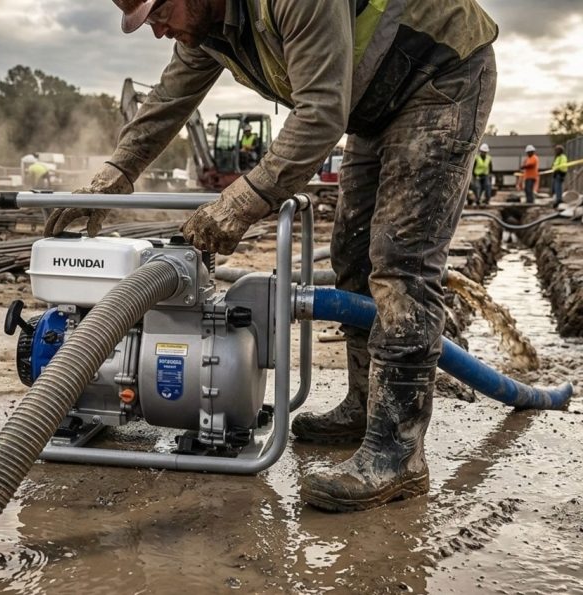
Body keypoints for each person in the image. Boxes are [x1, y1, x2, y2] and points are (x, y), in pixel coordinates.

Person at [44, 0, 497, 512]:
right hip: (374, 103)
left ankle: (398, 454)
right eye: (147, 23)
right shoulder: (209, 28)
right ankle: (363, 406)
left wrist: (240, 201)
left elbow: (322, 112)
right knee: (352, 258)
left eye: (159, 13)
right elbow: (171, 96)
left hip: (438, 77)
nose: (158, 31)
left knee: (400, 265)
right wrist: (117, 172)